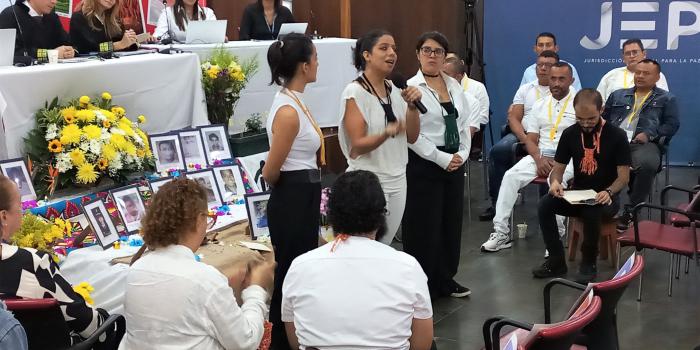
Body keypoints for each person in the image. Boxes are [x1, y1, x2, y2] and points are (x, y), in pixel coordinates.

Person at [282, 170, 434, 350]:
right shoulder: (408, 266)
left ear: (331, 216)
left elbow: (295, 340)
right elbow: (422, 343)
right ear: (381, 215)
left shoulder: (300, 267)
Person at [122, 178, 275, 349]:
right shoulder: (204, 279)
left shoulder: (136, 270)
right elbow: (246, 342)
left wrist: (223, 290)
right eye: (208, 218)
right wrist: (256, 290)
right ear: (198, 220)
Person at [261, 33, 323, 349]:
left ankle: (300, 334)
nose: (317, 63)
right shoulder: (287, 110)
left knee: (300, 271)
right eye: (314, 57)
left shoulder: (295, 100)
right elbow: (271, 171)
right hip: (292, 197)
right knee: (290, 272)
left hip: (305, 193)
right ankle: (283, 342)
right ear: (303, 65)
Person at [533, 89, 631, 283]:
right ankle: (556, 259)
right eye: (580, 119)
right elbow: (559, 169)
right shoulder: (570, 134)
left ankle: (588, 262)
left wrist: (608, 191)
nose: (585, 124)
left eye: (591, 119)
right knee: (545, 204)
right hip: (578, 194)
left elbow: (624, 177)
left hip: (607, 197)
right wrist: (555, 183)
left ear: (602, 110)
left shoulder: (617, 136)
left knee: (592, 210)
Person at [402, 31, 471, 299]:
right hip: (425, 162)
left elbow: (463, 124)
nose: (432, 55)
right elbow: (412, 136)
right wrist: (441, 158)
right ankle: (422, 285)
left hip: (455, 160)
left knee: (450, 222)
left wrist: (462, 155)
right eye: (427, 50)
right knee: (423, 225)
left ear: (445, 57)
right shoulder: (410, 88)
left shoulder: (454, 86)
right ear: (418, 54)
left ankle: (446, 278)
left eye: (438, 51)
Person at [0, 175, 109, 344]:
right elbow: (88, 324)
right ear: (4, 217)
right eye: (19, 205)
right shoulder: (31, 262)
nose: (22, 211)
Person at [481, 62, 577, 252]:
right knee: (510, 176)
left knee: (555, 183)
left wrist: (558, 164)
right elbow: (531, 139)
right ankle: (501, 234)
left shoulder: (579, 103)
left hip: (568, 159)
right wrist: (538, 159)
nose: (556, 83)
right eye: (553, 78)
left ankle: (555, 239)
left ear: (571, 81)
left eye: (561, 79)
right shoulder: (540, 105)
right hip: (540, 155)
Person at [338, 29, 422, 245]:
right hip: (369, 181)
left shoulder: (395, 89)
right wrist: (386, 133)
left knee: (383, 245)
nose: (392, 53)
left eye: (394, 48)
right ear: (366, 55)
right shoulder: (354, 92)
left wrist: (412, 108)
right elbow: (357, 145)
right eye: (384, 48)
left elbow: (412, 137)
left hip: (398, 178)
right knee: (366, 245)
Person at [479, 50, 559, 221]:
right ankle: (497, 203)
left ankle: (547, 206)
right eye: (540, 65)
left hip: (549, 137)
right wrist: (525, 139)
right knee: (498, 151)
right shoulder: (526, 89)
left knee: (552, 155)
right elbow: (514, 118)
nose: (543, 68)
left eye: (548, 65)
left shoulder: (562, 90)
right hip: (522, 135)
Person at [602, 59, 679, 231]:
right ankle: (605, 205)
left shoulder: (667, 98)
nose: (640, 76)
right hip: (614, 141)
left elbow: (671, 125)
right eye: (638, 72)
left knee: (647, 164)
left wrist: (650, 135)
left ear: (657, 77)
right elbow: (604, 120)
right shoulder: (617, 95)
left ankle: (631, 211)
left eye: (646, 73)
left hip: (643, 143)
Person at [0, 0, 74, 65]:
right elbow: (9, 53)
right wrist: (49, 54)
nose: (54, 1)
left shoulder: (52, 17)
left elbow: (67, 43)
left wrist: (69, 51)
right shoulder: (9, 15)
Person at [597, 39, 669, 102]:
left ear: (644, 54)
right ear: (623, 57)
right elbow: (599, 102)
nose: (631, 56)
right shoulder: (611, 75)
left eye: (635, 52)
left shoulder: (655, 74)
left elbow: (663, 100)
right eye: (628, 53)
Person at [70, 0, 146, 53]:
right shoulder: (79, 18)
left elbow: (121, 41)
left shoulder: (113, 21)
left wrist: (132, 40)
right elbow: (93, 48)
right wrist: (119, 45)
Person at [443, 55, 490, 131]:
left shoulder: (476, 91)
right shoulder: (435, 92)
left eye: (446, 74)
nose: (441, 77)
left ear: (458, 77)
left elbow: (483, 118)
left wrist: (467, 124)